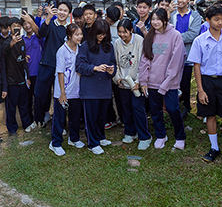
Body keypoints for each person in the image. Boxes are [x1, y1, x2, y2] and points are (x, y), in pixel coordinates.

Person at [188, 4, 222, 162]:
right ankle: (214, 148)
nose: (220, 22)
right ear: (207, 20)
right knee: (210, 115)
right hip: (207, 81)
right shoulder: (200, 40)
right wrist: (200, 90)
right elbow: (196, 66)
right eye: (216, 19)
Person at [139, 8, 186, 150]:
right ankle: (161, 135)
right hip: (152, 82)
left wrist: (166, 83)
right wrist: (143, 81)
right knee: (155, 110)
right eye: (153, 19)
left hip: (170, 83)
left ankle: (180, 137)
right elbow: (144, 60)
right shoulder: (149, 36)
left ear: (165, 20)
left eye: (158, 19)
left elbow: (176, 61)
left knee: (173, 109)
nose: (155, 22)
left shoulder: (175, 35)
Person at [76, 19, 116, 154]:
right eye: (99, 33)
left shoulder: (109, 46)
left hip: (104, 87)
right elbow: (79, 66)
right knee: (91, 118)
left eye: (104, 34)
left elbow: (113, 64)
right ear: (94, 32)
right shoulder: (85, 46)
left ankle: (100, 137)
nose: (101, 36)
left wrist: (112, 70)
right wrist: (95, 68)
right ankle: (92, 143)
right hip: (90, 89)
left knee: (101, 116)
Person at [113, 18, 151, 149]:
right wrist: (117, 78)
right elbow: (116, 63)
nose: (122, 35)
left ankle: (144, 136)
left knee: (138, 108)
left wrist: (139, 81)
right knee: (126, 108)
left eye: (125, 32)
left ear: (131, 31)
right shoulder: (117, 43)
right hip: (123, 83)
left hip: (136, 83)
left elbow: (144, 62)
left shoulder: (139, 41)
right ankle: (130, 132)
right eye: (120, 32)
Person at [50, 24, 85, 156]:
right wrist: (62, 93)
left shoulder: (80, 49)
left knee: (75, 116)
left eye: (81, 34)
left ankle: (74, 138)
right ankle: (56, 143)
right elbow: (60, 72)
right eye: (77, 34)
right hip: (63, 91)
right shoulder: (62, 51)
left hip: (76, 90)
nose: (79, 37)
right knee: (59, 118)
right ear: (69, 36)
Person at [35, 1, 72, 126]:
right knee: (41, 93)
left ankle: (60, 122)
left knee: (60, 95)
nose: (62, 13)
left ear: (69, 13)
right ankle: (41, 117)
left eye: (65, 11)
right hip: (47, 63)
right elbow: (42, 33)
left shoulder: (70, 29)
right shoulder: (50, 23)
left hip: (62, 68)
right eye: (60, 10)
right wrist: (47, 18)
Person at [170, 0, 204, 118]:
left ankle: (186, 107)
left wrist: (174, 38)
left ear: (189, 0)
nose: (180, 1)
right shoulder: (172, 15)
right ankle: (174, 106)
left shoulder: (195, 16)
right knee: (173, 81)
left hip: (187, 55)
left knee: (185, 82)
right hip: (172, 56)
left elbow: (193, 34)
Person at [0, 17, 33, 135]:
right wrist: (12, 43)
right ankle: (12, 128)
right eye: (14, 25)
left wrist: (27, 77)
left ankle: (26, 124)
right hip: (11, 81)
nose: (17, 27)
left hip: (22, 80)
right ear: (9, 28)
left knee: (24, 105)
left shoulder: (22, 40)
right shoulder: (6, 41)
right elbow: (4, 52)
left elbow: (23, 60)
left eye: (19, 25)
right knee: (11, 107)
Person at [21, 14, 43, 130]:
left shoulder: (39, 37)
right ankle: (29, 121)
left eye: (29, 23)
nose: (27, 26)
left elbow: (39, 31)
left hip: (39, 73)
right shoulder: (22, 40)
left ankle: (39, 119)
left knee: (39, 97)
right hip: (27, 74)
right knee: (28, 99)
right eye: (24, 24)